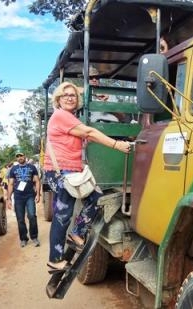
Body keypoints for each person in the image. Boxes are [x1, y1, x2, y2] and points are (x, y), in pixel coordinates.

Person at [44, 81, 131, 271]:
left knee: (96, 197)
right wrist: (117, 145)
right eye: (64, 95)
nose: (69, 97)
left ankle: (77, 233)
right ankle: (54, 258)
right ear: (57, 100)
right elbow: (90, 133)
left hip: (71, 171)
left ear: (78, 100)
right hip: (61, 172)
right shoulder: (61, 116)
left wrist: (88, 90)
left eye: (73, 95)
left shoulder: (69, 117)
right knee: (62, 216)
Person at [6, 150, 41, 248]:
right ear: (16, 158)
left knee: (32, 216)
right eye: (18, 156)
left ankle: (34, 237)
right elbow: (11, 184)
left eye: (21, 155)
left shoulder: (32, 167)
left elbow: (37, 181)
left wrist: (38, 194)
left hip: (30, 195)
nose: (20, 157)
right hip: (18, 197)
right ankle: (23, 239)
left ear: (25, 156)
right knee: (20, 219)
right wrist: (8, 199)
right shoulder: (13, 169)